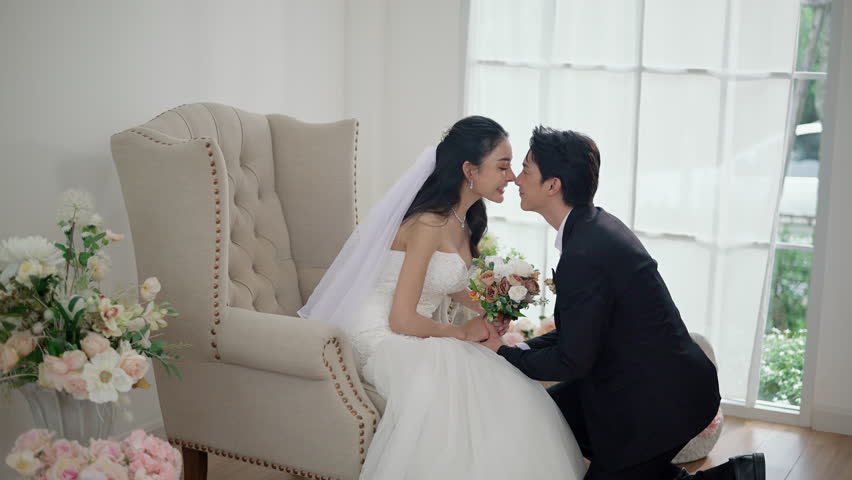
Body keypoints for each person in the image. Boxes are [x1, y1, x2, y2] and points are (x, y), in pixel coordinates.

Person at [299, 116, 587, 479]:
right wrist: (465, 334)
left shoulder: (463, 220)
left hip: (414, 327)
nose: (512, 176)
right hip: (379, 331)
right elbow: (401, 319)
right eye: (502, 166)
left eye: (513, 167)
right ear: (469, 169)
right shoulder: (428, 224)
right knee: (464, 378)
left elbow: (444, 282)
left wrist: (494, 307)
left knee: (504, 379)